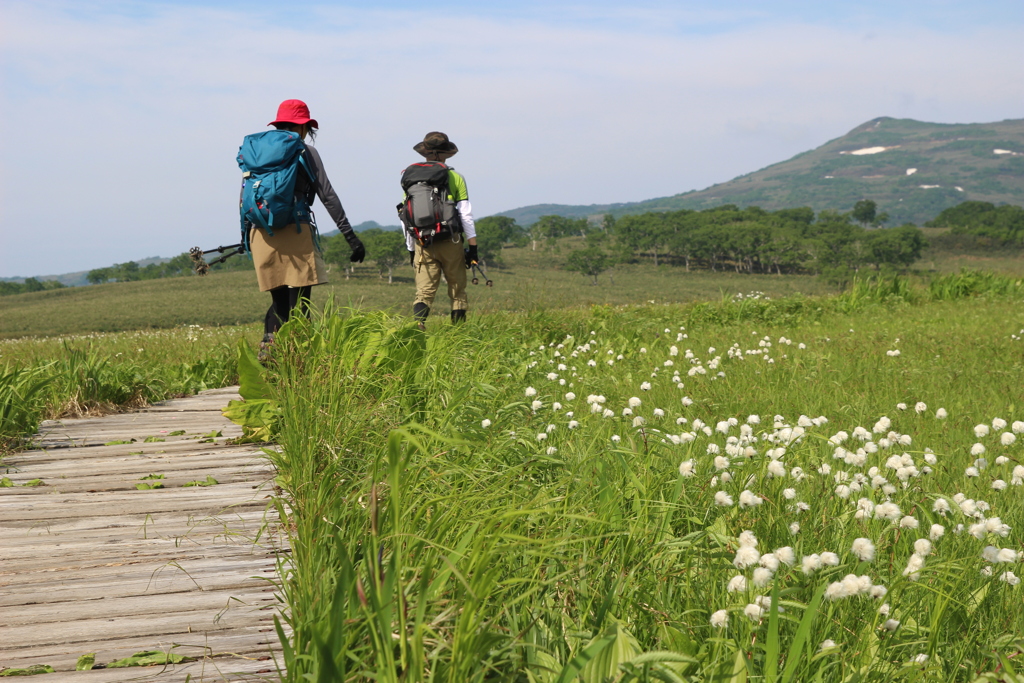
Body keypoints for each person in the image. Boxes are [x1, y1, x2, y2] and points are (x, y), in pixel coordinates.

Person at [248, 99, 364, 352]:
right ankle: (300, 360)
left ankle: (269, 348)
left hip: (260, 233)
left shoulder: (257, 153)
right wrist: (350, 236)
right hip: (295, 229)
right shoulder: (305, 151)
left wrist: (248, 237)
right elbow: (327, 195)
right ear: (303, 127)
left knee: (278, 300)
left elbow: (246, 198)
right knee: (300, 300)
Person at [402, 132, 477, 329]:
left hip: (422, 242)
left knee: (424, 291)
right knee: (457, 290)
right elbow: (466, 215)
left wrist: (411, 248)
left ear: (425, 153)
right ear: (445, 153)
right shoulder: (455, 177)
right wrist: (473, 248)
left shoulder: (411, 178)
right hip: (451, 241)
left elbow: (405, 216)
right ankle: (457, 336)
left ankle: (417, 329)